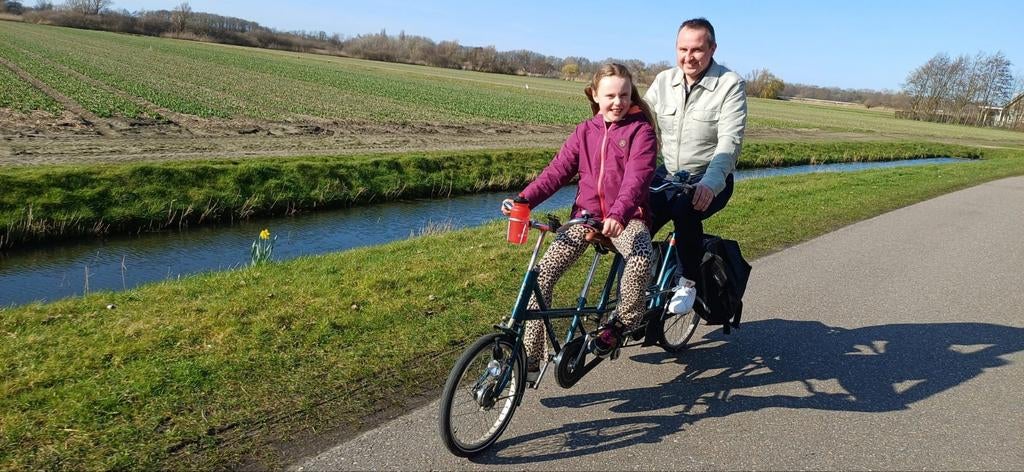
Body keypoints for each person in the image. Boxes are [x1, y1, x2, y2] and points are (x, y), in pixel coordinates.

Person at [501, 63, 657, 376]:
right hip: (584, 219)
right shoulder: (585, 132)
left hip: (625, 218)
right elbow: (557, 171)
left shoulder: (642, 131)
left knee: (640, 256)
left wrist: (618, 214)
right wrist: (524, 200)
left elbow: (636, 179)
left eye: (624, 95)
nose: (618, 102)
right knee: (541, 276)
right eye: (610, 95)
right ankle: (530, 358)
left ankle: (623, 322)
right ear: (595, 96)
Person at [643, 17, 748, 286]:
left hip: (709, 177)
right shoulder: (664, 80)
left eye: (697, 50)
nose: (688, 57)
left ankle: (687, 282)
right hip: (669, 174)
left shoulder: (730, 84)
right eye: (682, 49)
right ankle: (629, 300)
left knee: (685, 209)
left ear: (712, 49)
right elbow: (639, 123)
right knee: (636, 226)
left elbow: (729, 142)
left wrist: (710, 184)